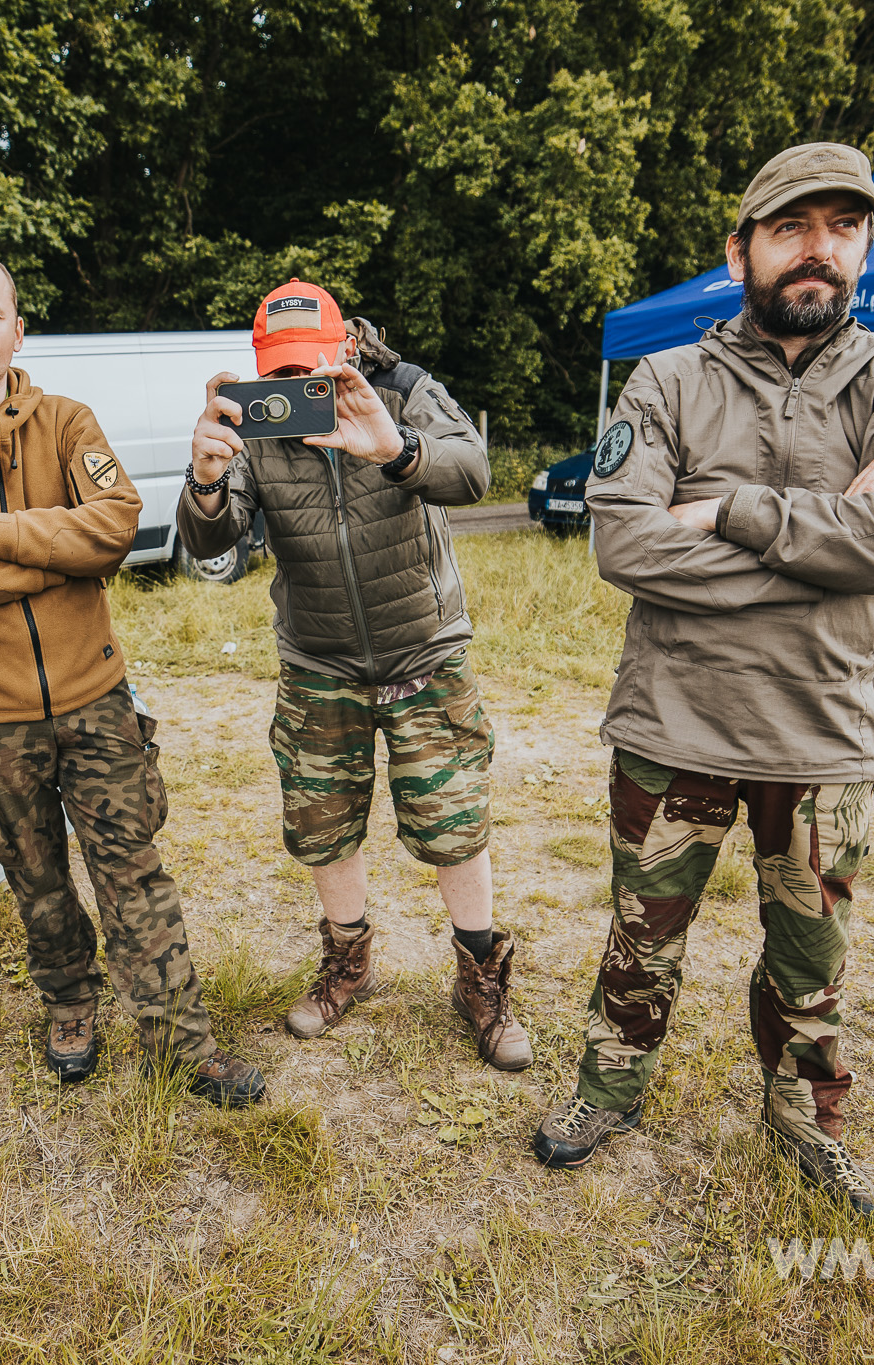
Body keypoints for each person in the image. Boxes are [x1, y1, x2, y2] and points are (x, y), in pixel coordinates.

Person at [530, 143, 874, 1217]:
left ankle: (803, 1126)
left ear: (863, 246)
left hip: (822, 736)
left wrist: (727, 509)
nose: (816, 249)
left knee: (809, 963)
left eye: (840, 227)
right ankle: (608, 1091)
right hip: (672, 724)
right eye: (790, 227)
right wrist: (835, 549)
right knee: (639, 940)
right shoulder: (668, 379)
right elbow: (626, 550)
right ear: (739, 249)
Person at [0, 248, 266, 1108]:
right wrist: (55, 550)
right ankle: (70, 1004)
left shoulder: (68, 421)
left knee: (132, 866)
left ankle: (180, 1042)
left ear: (17, 327)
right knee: (36, 877)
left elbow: (113, 528)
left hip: (96, 699)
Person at [179, 281, 527, 1070]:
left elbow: (473, 472)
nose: (300, 391)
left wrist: (395, 449)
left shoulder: (404, 391)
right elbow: (211, 546)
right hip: (318, 660)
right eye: (282, 372)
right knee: (321, 823)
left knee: (454, 821)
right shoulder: (253, 417)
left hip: (423, 653)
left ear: (346, 347)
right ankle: (350, 963)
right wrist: (204, 475)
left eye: (314, 370)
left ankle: (479, 978)